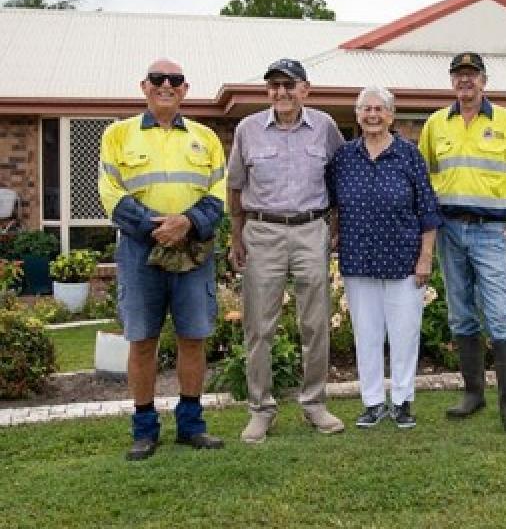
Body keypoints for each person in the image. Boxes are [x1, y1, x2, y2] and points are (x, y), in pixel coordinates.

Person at [98, 58, 226, 460]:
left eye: (174, 80)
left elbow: (219, 193)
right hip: (140, 251)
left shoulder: (206, 137)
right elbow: (110, 192)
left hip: (194, 249)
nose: (165, 85)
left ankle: (191, 426)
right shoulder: (118, 135)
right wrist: (156, 228)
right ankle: (144, 430)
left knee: (193, 337)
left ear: (185, 89)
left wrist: (187, 222)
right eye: (157, 79)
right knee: (142, 341)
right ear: (144, 86)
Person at [418, 52, 506, 435]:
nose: (465, 81)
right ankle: (473, 394)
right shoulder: (436, 124)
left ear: (484, 81)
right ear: (451, 82)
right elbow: (422, 176)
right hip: (449, 231)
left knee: (500, 315)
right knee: (460, 313)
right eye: (459, 75)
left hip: (492, 232)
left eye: (472, 75)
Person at [227, 58, 346, 443]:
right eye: (274, 86)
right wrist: (236, 238)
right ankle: (261, 410)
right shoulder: (248, 129)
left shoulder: (325, 127)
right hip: (262, 231)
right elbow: (234, 189)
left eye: (289, 85)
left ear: (305, 90)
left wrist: (336, 229)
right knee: (259, 326)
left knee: (315, 323)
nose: (281, 92)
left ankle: (315, 405)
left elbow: (340, 178)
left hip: (312, 229)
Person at [327, 86, 441, 429]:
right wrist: (333, 235)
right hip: (358, 259)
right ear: (358, 115)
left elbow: (428, 210)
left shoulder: (409, 155)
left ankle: (403, 401)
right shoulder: (345, 157)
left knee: (405, 333)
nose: (372, 115)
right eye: (366, 109)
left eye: (379, 109)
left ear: (391, 115)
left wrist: (425, 257)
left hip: (404, 260)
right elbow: (333, 203)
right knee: (367, 333)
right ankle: (373, 402)